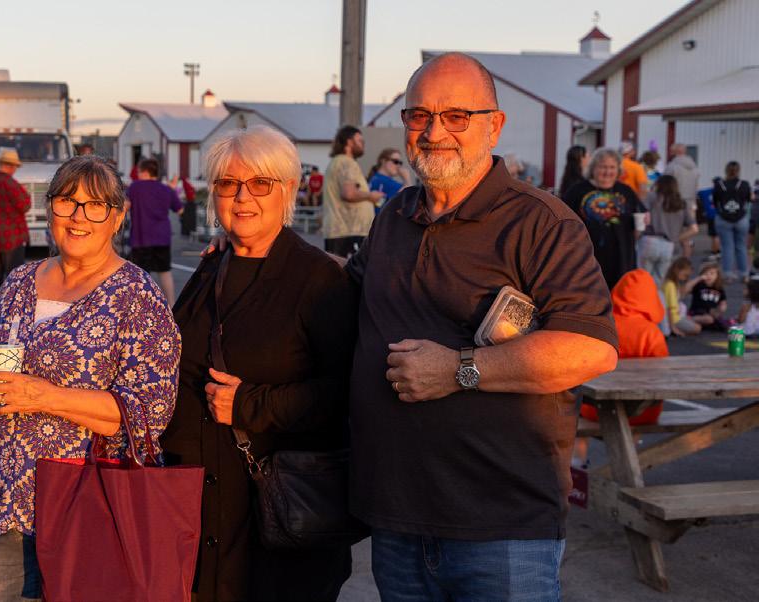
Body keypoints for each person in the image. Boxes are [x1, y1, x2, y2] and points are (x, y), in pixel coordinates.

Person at [346, 53, 618, 601]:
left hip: (502, 529)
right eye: (419, 116)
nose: (434, 132)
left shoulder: (541, 223)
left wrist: (458, 370)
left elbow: (591, 349)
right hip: (398, 518)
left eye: (456, 116)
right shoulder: (394, 216)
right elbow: (341, 291)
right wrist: (259, 249)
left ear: (494, 125)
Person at [161, 125, 356, 602]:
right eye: (228, 183)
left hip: (279, 525)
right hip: (199, 520)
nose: (242, 196)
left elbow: (347, 393)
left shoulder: (318, 280)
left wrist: (251, 404)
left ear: (288, 189)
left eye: (260, 183)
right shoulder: (212, 266)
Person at [0, 155, 180, 601]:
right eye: (66, 201)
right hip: (6, 506)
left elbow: (149, 413)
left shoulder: (136, 295)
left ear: (118, 217)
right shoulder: (18, 282)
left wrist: (46, 396)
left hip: (85, 510)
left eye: (96, 205)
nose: (79, 216)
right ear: (49, 208)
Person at [572, 269, 669, 466]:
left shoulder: (603, 325)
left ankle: (578, 463)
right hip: (642, 411)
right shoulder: (651, 333)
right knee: (636, 416)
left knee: (574, 413)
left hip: (595, 407)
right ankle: (628, 462)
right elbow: (662, 373)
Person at [563, 148, 644, 289]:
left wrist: (644, 222)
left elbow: (639, 217)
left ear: (618, 170)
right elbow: (563, 222)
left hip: (621, 262)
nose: (607, 172)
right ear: (593, 168)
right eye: (603, 167)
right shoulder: (577, 191)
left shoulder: (626, 191)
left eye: (612, 167)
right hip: (587, 262)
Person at [126, 158, 183, 301]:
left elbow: (124, 205)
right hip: (162, 238)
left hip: (141, 238)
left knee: (140, 275)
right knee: (165, 272)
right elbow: (180, 210)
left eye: (139, 172)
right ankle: (171, 305)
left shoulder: (135, 187)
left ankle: (140, 306)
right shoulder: (166, 189)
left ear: (145, 172)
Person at [0, 147, 32, 302]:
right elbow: (25, 205)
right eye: (15, 166)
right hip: (11, 238)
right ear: (10, 165)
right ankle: (10, 308)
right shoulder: (11, 184)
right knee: (13, 279)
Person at [323, 125, 384, 257]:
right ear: (350, 142)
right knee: (350, 270)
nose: (363, 144)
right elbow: (349, 193)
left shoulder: (337, 162)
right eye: (360, 140)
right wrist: (372, 196)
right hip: (348, 232)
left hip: (342, 231)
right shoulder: (347, 163)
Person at [639, 174, 697, 284]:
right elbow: (694, 229)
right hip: (669, 245)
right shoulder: (681, 203)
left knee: (643, 279)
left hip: (650, 240)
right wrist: (675, 238)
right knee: (660, 282)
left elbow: (641, 214)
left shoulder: (652, 197)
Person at [711, 161, 752, 282]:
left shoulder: (719, 185)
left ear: (726, 171)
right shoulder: (744, 184)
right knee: (741, 246)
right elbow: (748, 199)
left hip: (724, 218)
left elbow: (715, 201)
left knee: (727, 247)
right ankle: (744, 273)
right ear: (738, 171)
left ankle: (728, 274)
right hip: (741, 217)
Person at [664, 143, 701, 257]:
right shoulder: (695, 167)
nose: (670, 153)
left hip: (675, 203)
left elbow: (665, 185)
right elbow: (696, 186)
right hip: (690, 203)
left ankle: (670, 260)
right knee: (687, 235)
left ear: (676, 152)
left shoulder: (672, 167)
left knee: (671, 232)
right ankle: (686, 262)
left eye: (671, 151)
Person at [662, 257, 702, 336]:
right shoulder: (670, 285)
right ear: (677, 270)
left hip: (677, 315)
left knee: (696, 323)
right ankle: (672, 329)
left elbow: (682, 294)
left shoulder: (673, 283)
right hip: (673, 318)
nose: (685, 278)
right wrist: (672, 327)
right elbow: (669, 308)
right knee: (698, 328)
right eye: (685, 275)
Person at [688, 262, 729, 330]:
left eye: (712, 273)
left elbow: (723, 302)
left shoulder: (719, 289)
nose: (708, 276)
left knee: (725, 324)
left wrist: (721, 309)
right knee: (709, 319)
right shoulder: (699, 285)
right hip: (697, 312)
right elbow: (687, 287)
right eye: (706, 273)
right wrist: (699, 278)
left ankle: (703, 325)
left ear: (717, 276)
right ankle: (689, 319)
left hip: (711, 313)